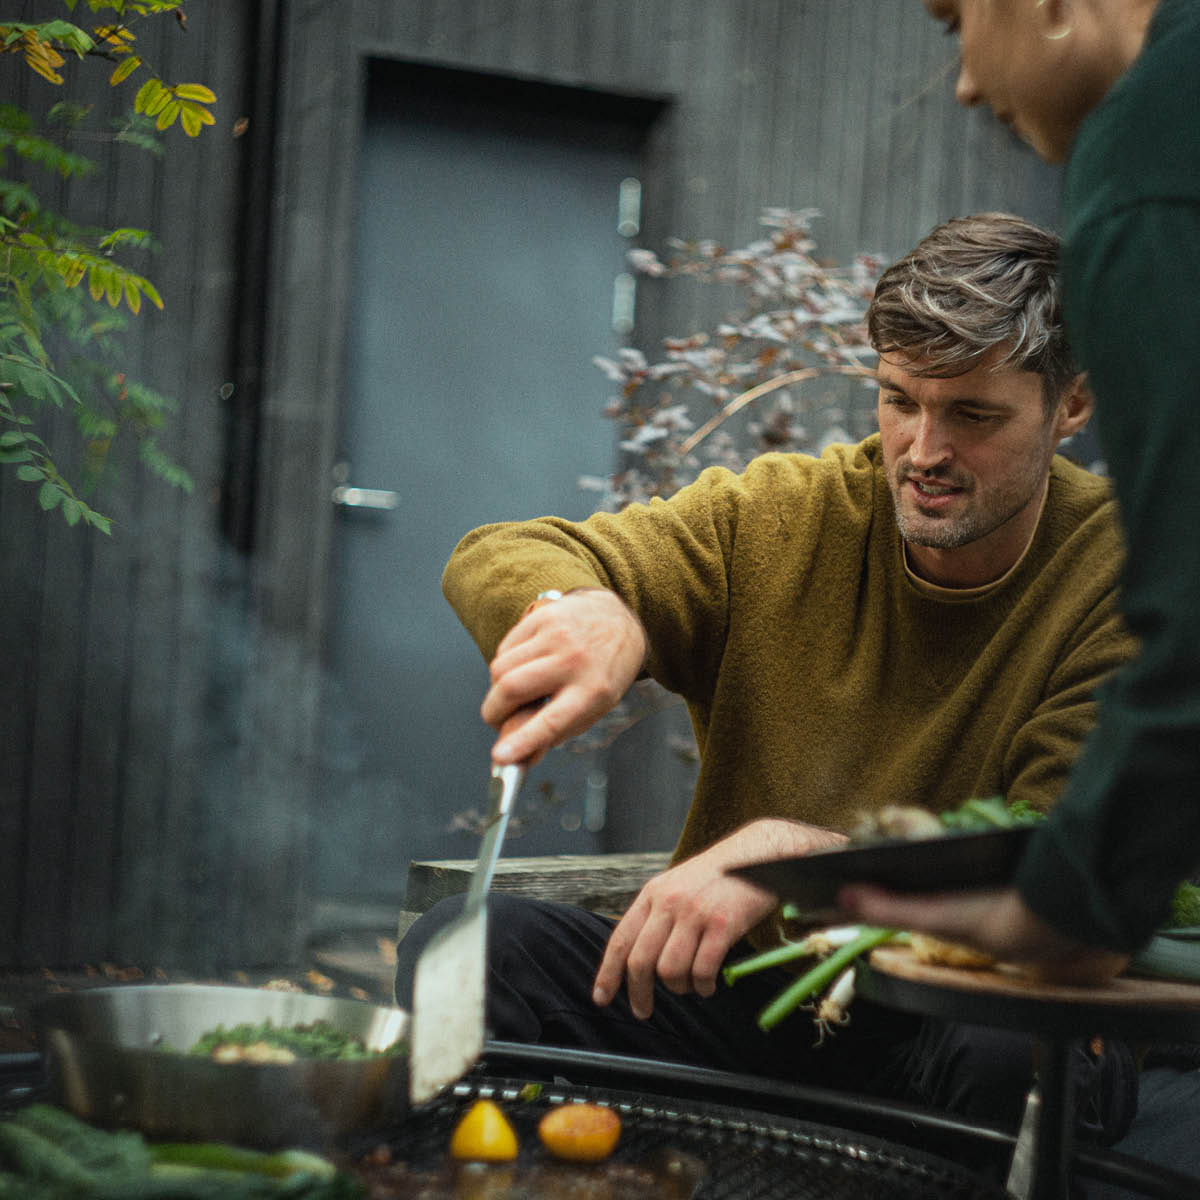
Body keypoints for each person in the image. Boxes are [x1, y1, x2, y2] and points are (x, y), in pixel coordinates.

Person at [395, 213, 1137, 1141]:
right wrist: (580, 607)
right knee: (467, 954)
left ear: (1072, 404)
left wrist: (806, 865)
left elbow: (1055, 865)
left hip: (961, 1007)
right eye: (898, 400)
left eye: (974, 416)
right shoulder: (784, 517)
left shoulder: (1128, 578)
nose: (923, 451)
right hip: (742, 998)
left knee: (1015, 1050)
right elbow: (503, 552)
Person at [841, 0, 1200, 979]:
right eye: (898, 403)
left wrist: (1074, 897)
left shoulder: (1146, 159)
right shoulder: (798, 503)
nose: (963, 81)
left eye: (958, 21)